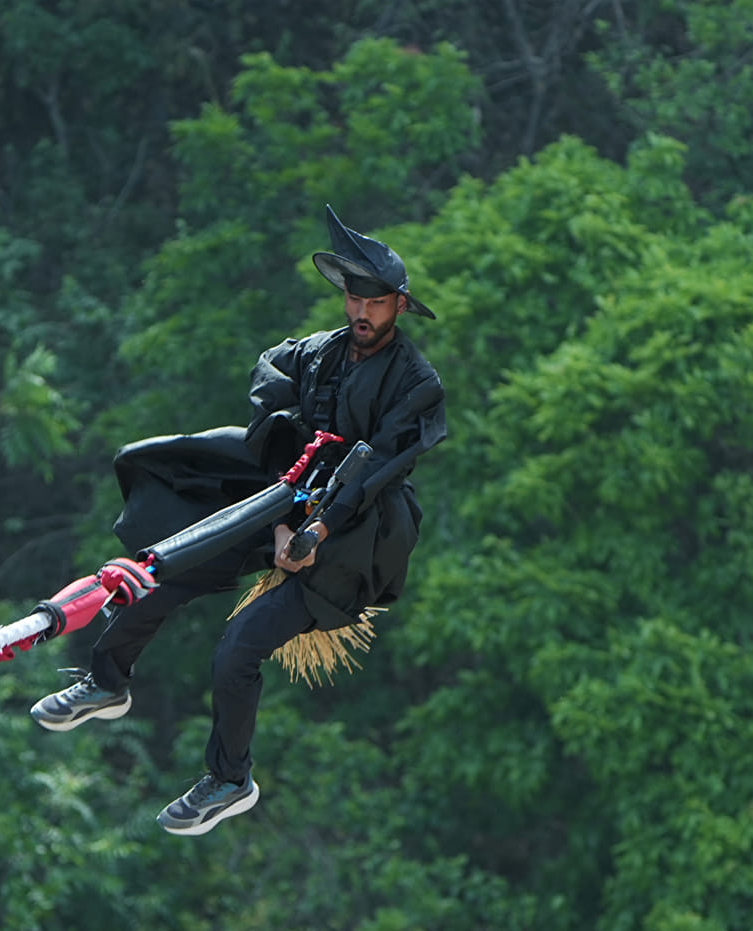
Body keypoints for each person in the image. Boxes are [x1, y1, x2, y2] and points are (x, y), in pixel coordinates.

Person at [30, 205, 447, 836]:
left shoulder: (417, 383)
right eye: (354, 297)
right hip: (279, 503)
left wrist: (313, 533)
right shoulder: (317, 355)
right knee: (161, 573)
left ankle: (229, 779)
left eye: (377, 301)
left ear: (399, 305)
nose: (362, 312)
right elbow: (277, 410)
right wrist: (281, 519)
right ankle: (106, 681)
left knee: (236, 650)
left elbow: (376, 468)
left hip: (353, 536)